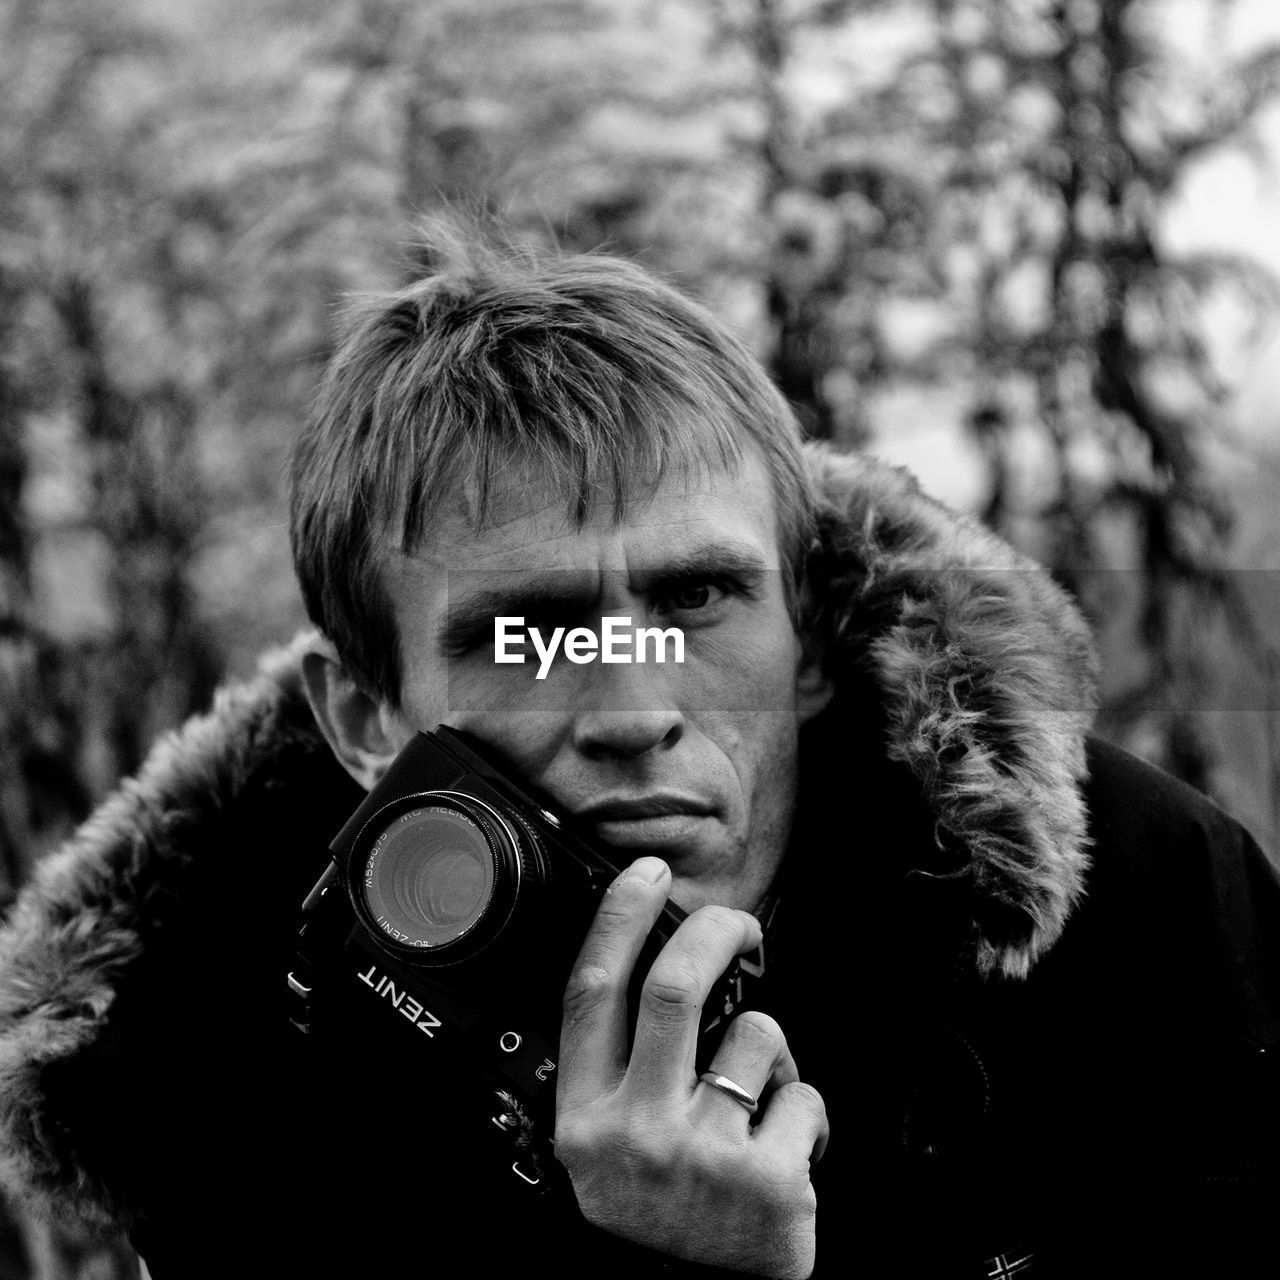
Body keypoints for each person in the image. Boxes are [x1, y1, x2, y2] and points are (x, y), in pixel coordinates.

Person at [0, 222, 1276, 1280]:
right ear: (364, 717)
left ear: (816, 640)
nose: (630, 703)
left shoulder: (1133, 899)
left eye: (697, 599)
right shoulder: (231, 1076)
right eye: (525, 625)